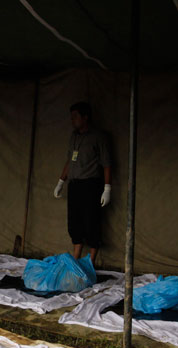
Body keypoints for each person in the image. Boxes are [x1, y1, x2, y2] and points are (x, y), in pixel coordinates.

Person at [53, 102, 112, 264]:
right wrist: (61, 181)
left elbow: (107, 163)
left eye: (75, 117)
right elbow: (69, 160)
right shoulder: (74, 136)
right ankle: (76, 257)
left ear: (85, 117)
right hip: (75, 185)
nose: (72, 120)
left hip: (91, 184)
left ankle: (91, 261)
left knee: (91, 220)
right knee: (74, 221)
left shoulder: (98, 136)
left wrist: (107, 188)